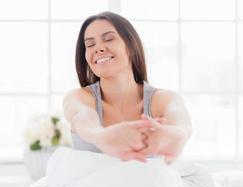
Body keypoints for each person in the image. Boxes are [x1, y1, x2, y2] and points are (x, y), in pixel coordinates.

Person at [63, 11, 192, 165]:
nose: (98, 48)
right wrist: (102, 137)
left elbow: (182, 123)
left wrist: (177, 136)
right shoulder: (78, 97)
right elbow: (82, 117)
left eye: (109, 39)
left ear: (131, 45)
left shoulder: (164, 99)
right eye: (90, 44)